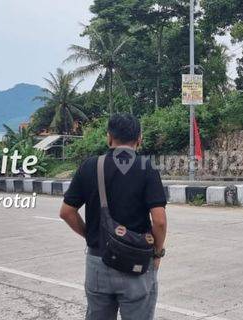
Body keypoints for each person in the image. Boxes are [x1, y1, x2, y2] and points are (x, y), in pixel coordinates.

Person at [60, 113, 168, 320]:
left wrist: (92, 236)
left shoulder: (89, 166)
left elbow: (66, 212)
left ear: (109, 137)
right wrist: (157, 253)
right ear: (139, 139)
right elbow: (160, 221)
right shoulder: (147, 168)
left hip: (98, 262)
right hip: (136, 264)